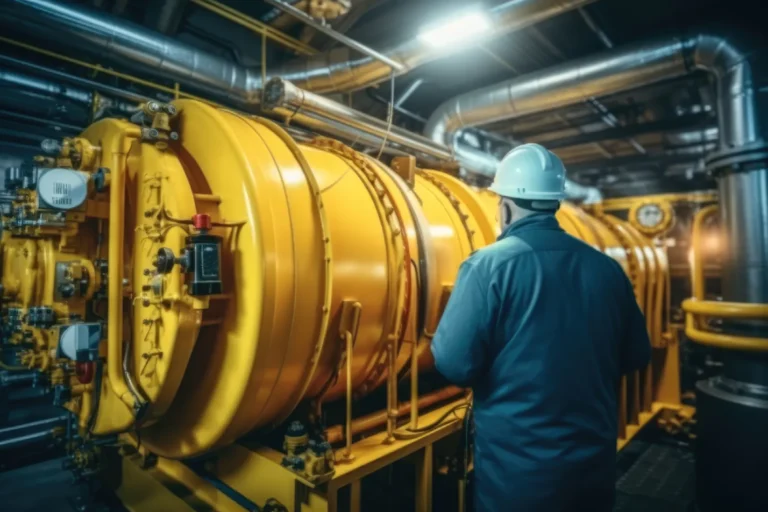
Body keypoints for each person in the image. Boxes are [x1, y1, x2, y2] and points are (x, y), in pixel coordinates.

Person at [430, 143, 651, 511]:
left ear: (503, 206)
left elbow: (454, 365)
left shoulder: (487, 267)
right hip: (592, 469)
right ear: (556, 203)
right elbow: (636, 355)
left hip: (517, 478)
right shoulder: (607, 269)